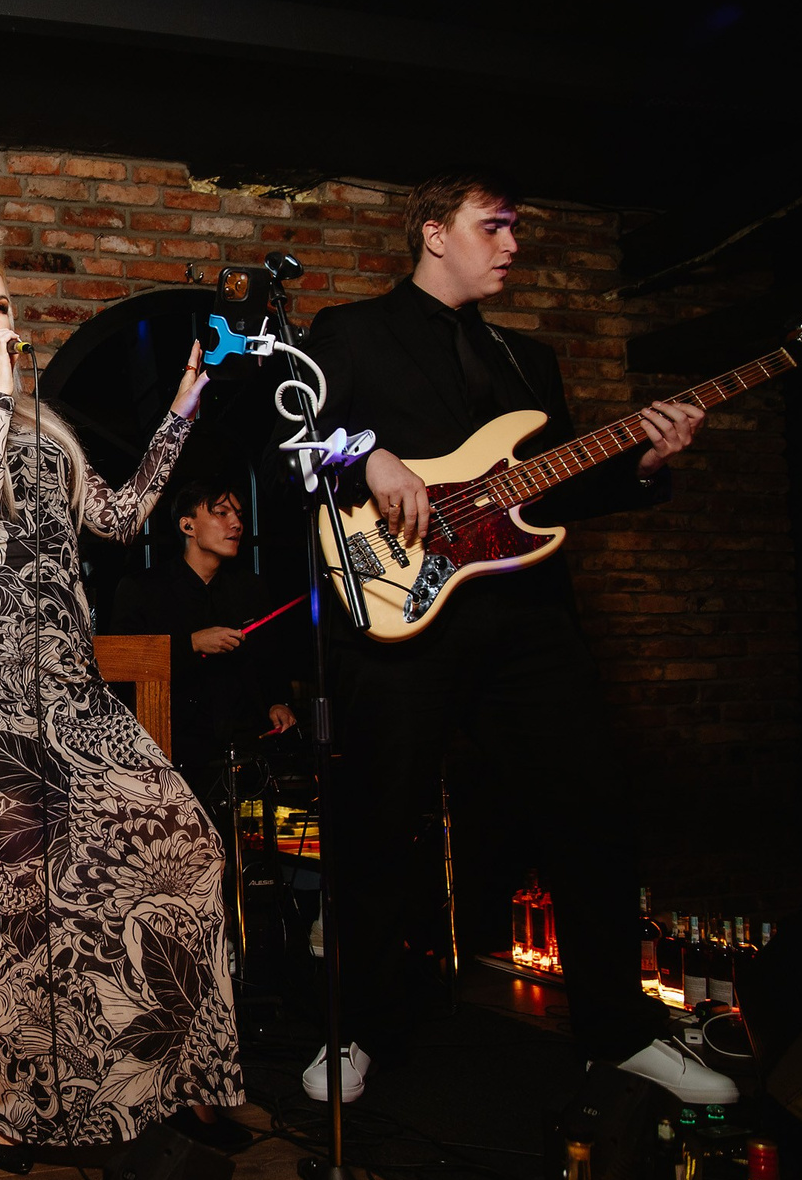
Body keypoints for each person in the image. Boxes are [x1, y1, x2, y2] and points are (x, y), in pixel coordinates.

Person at [303, 167, 732, 1104]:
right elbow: (292, 439)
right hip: (404, 613)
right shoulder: (352, 331)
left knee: (591, 814)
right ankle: (359, 1028)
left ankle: (618, 1031)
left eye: (516, 228)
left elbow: (561, 488)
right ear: (433, 232)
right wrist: (369, 456)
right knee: (381, 826)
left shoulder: (526, 359)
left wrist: (646, 465)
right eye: (493, 226)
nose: (512, 244)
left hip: (528, 619)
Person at [0, 249, 244, 1171]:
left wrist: (179, 414)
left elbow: (117, 520)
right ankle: (14, 1107)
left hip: (69, 677)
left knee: (186, 844)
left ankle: (176, 1076)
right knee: (13, 903)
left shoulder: (39, 424)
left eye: (2, 303)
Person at [110, 478, 297, 793]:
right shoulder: (142, 589)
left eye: (238, 515)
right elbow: (118, 664)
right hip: (169, 756)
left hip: (244, 753)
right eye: (221, 513)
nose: (236, 523)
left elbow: (270, 660)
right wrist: (192, 643)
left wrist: (278, 702)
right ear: (188, 526)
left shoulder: (250, 588)